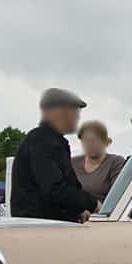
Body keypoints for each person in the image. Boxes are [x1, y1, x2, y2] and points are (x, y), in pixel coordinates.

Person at [10, 88, 99, 222]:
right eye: (74, 112)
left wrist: (77, 211)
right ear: (58, 112)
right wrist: (93, 204)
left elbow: (66, 186)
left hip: (47, 225)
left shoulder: (53, 142)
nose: (77, 117)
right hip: (39, 227)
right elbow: (54, 189)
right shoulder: (42, 142)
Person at [71, 120, 126, 207]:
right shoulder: (73, 163)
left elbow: (117, 195)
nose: (89, 144)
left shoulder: (115, 162)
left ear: (104, 141)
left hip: (102, 215)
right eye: (86, 140)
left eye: (93, 140)